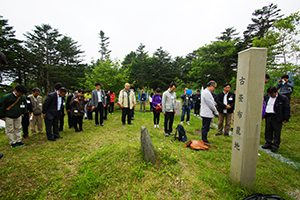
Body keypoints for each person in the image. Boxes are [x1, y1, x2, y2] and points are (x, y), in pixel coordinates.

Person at [262, 87, 290, 152]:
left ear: (276, 92)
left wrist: (286, 118)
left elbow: (286, 108)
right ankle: (268, 142)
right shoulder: (266, 97)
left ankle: (275, 145)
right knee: (268, 130)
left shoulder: (282, 98)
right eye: (269, 94)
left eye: (272, 94)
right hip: (268, 115)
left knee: (277, 131)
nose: (270, 96)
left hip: (277, 116)